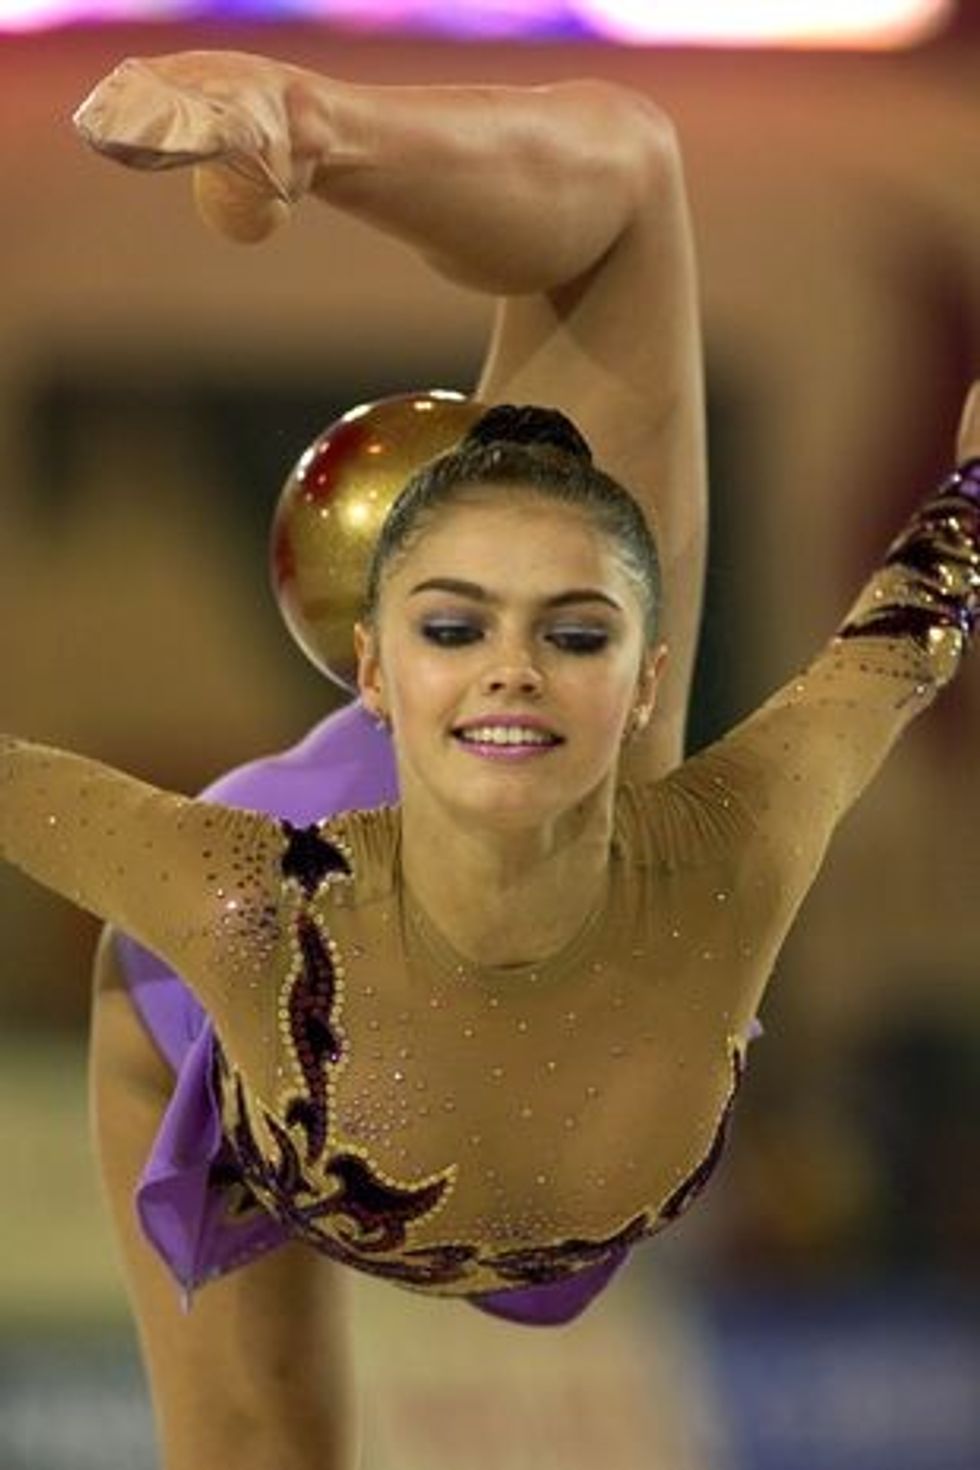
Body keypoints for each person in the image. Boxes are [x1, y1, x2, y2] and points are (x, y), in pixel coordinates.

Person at [1, 48, 976, 1470]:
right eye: (458, 629)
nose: (518, 665)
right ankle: (303, 121)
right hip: (245, 1035)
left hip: (560, 860)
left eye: (574, 637)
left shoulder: (730, 840)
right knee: (261, 1449)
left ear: (650, 680)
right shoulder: (250, 906)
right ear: (374, 669)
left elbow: (912, 630)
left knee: (631, 193)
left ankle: (317, 138)